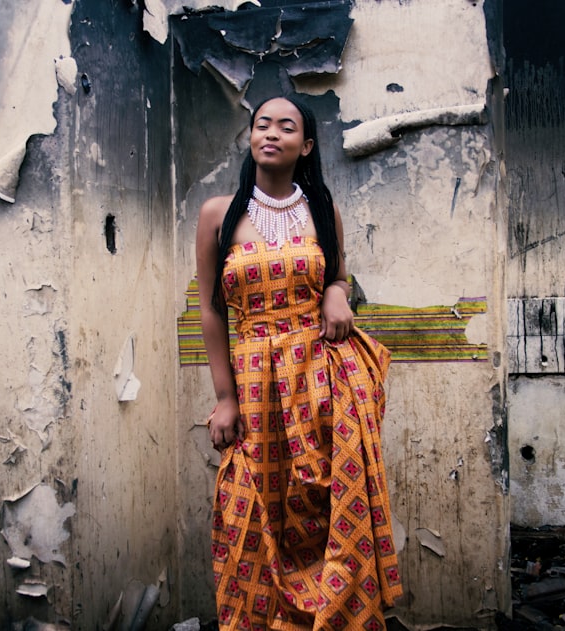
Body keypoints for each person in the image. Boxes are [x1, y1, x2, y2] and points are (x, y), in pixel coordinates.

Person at [195, 95, 403, 631]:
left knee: (322, 503)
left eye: (286, 127)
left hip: (319, 378)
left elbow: (336, 275)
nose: (271, 133)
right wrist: (224, 398)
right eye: (261, 124)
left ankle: (335, 619)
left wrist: (338, 292)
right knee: (249, 504)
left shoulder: (322, 210)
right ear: (249, 137)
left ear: (305, 145)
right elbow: (211, 309)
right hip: (253, 383)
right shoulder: (217, 214)